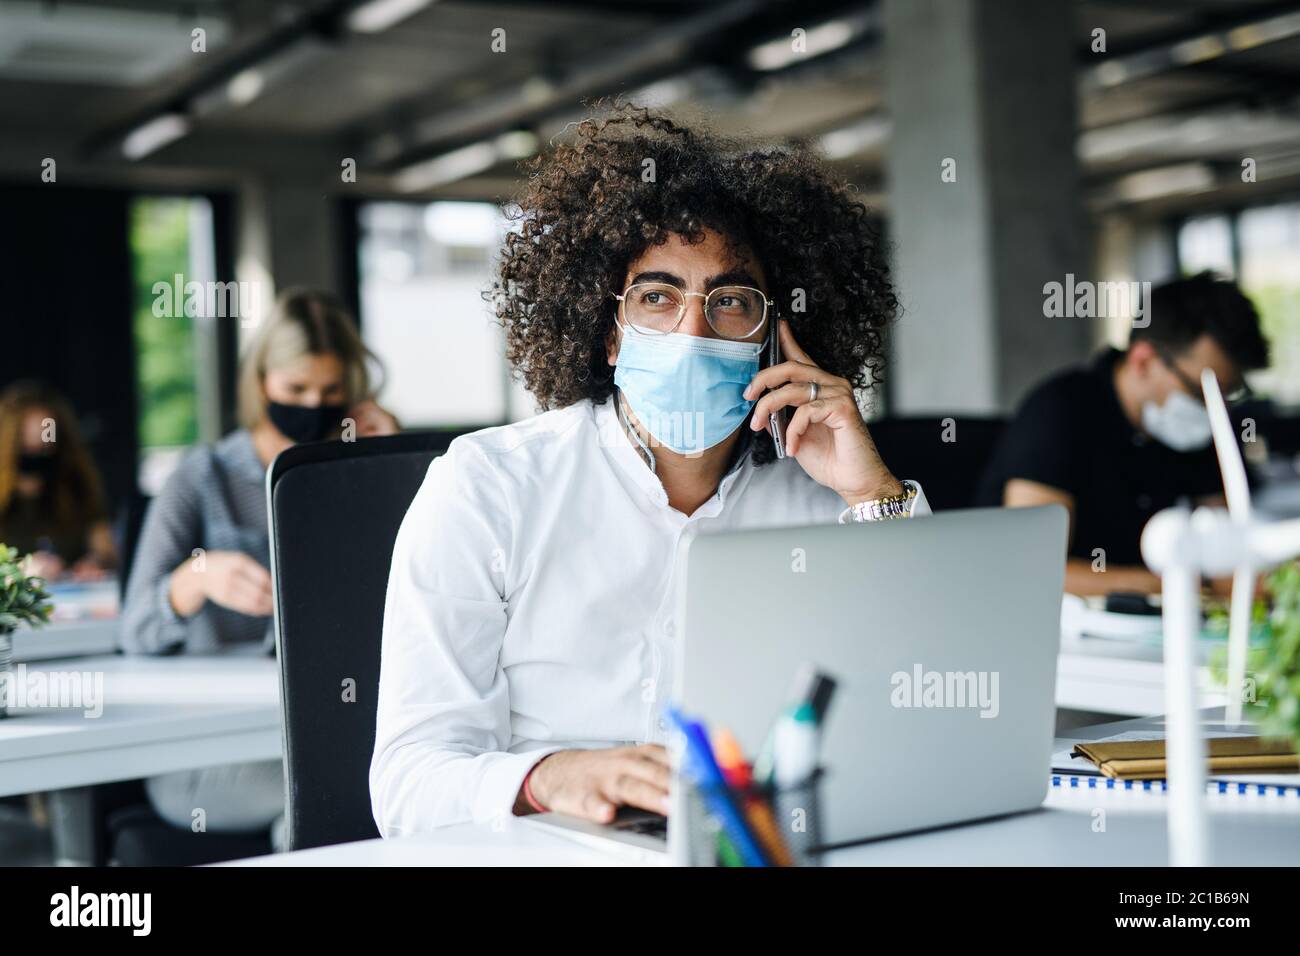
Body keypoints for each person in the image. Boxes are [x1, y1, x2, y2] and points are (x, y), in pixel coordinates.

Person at [370, 105, 931, 836]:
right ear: (608, 331)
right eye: (658, 297)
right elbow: (409, 786)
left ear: (775, 333)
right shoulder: (488, 487)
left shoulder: (826, 499)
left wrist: (872, 492)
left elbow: (927, 719)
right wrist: (548, 777)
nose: (693, 331)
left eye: (730, 301)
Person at [121, 287, 397, 844]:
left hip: (328, 728)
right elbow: (134, 631)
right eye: (296, 389)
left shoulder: (347, 470)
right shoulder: (201, 477)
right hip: (210, 752)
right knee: (345, 796)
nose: (313, 403)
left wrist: (389, 466)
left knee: (340, 799)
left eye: (330, 390)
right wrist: (195, 579)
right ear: (261, 381)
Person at [977, 272, 1270, 597]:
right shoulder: (1060, 411)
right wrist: (1181, 584)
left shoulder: (1196, 431)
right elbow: (1030, 568)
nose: (1213, 411)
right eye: (1202, 392)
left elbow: (1226, 555)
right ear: (1144, 361)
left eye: (1226, 396)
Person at [0, 381, 116, 580]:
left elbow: (107, 552)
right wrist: (17, 571)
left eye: (45, 440)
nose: (36, 449)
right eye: (27, 443)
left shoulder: (76, 486)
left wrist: (94, 562)